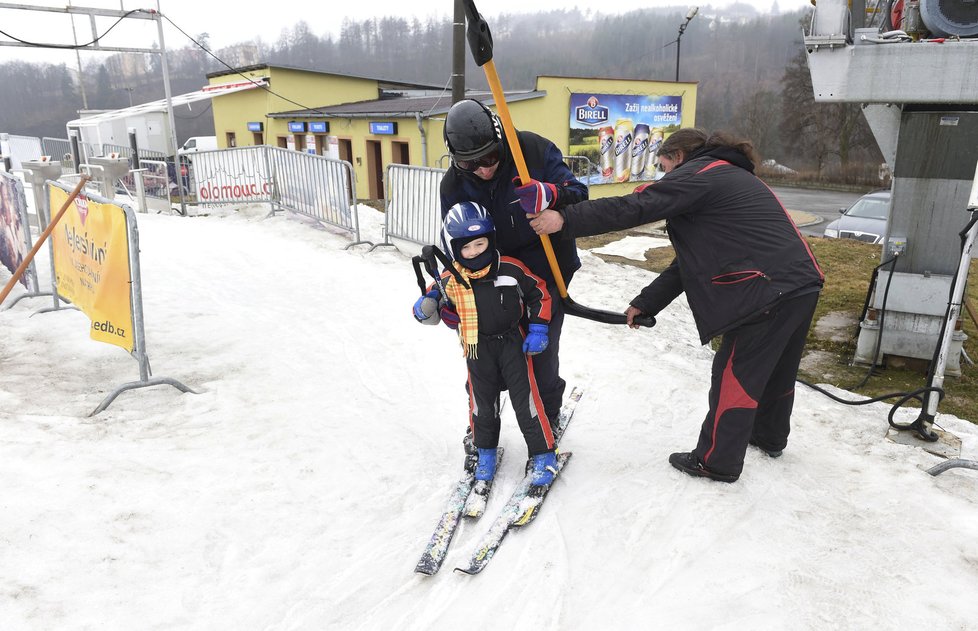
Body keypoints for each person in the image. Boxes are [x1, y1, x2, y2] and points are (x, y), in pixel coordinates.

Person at [528, 128, 824, 483]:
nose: (666, 176)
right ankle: (769, 436)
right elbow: (690, 263)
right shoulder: (727, 176)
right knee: (777, 369)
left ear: (680, 157)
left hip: (764, 289)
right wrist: (647, 302)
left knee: (735, 373)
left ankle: (716, 460)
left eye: (665, 166)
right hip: (800, 282)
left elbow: (635, 205)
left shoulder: (701, 174)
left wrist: (565, 219)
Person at [440, 98, 588, 447]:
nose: (483, 170)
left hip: (546, 267)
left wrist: (552, 197)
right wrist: (448, 292)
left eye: (490, 158)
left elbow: (579, 194)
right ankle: (481, 420)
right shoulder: (453, 184)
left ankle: (548, 409)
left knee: (540, 349)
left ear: (501, 141)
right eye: (469, 163)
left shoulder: (532, 151)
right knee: (483, 354)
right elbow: (452, 241)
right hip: (489, 275)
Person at [413, 201, 559, 486]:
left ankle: (543, 453)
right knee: (482, 405)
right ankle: (486, 451)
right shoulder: (450, 279)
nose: (474, 252)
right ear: (454, 250)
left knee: (525, 401)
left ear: (490, 240)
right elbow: (432, 300)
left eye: (480, 244)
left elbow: (539, 293)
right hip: (476, 348)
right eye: (465, 248)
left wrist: (539, 328)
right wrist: (425, 305)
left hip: (513, 345)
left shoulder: (510, 269)